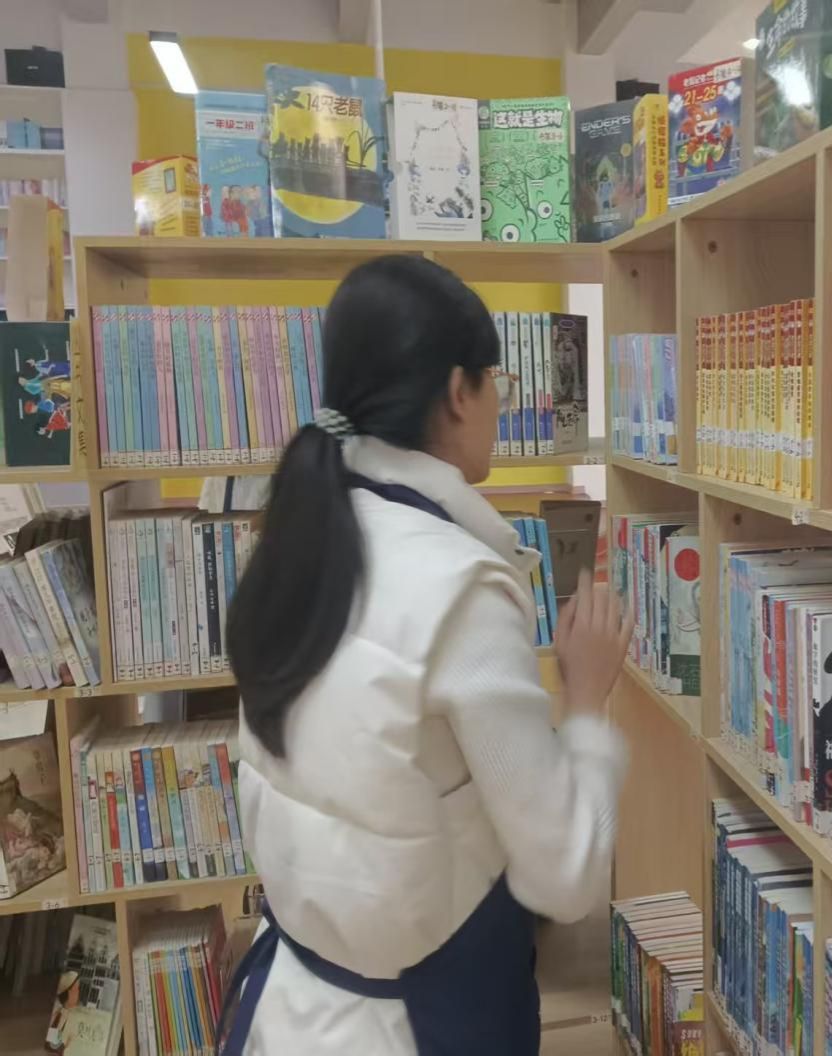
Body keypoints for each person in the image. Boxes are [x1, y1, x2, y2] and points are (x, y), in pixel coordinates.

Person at [219, 255, 631, 1055]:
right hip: (414, 1025)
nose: (499, 403)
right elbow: (565, 875)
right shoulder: (461, 587)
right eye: (497, 382)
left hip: (291, 1005)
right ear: (457, 392)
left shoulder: (300, 535)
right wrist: (586, 700)